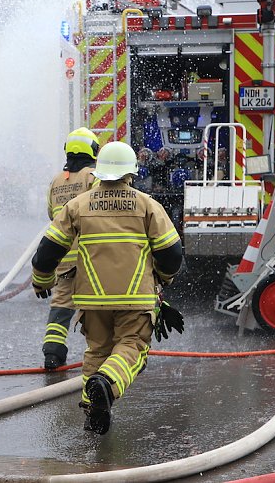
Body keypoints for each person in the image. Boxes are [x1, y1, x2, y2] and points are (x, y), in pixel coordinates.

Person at [31, 141, 184, 435]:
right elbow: (171, 253)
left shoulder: (78, 205)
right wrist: (165, 277)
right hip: (134, 298)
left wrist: (41, 278)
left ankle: (93, 414)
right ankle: (106, 387)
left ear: (99, 171)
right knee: (132, 347)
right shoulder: (147, 205)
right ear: (131, 173)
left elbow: (48, 250)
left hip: (91, 301)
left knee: (97, 353)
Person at [37, 127, 99, 371]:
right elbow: (99, 213)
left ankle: (52, 352)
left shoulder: (56, 181)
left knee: (61, 304)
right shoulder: (92, 176)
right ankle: (102, 353)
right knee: (97, 304)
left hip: (63, 256)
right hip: (90, 255)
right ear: (93, 150)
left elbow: (52, 215)